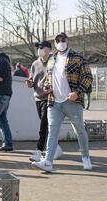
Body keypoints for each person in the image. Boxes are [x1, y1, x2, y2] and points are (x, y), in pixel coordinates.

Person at [32, 32, 93, 173]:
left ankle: (86, 158)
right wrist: (47, 87)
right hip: (54, 102)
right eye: (57, 40)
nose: (60, 42)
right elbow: (49, 78)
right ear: (54, 43)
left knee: (80, 131)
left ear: (67, 41)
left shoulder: (78, 57)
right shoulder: (52, 59)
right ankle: (47, 161)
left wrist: (77, 92)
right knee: (52, 131)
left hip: (72, 101)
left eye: (62, 40)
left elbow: (88, 77)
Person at [27, 41, 64, 162]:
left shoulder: (55, 61)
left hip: (50, 98)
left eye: (42, 48)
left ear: (49, 49)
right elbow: (32, 79)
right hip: (38, 97)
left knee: (43, 126)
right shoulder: (35, 63)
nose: (39, 50)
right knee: (47, 126)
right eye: (38, 48)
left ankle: (39, 151)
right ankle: (56, 148)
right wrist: (30, 83)